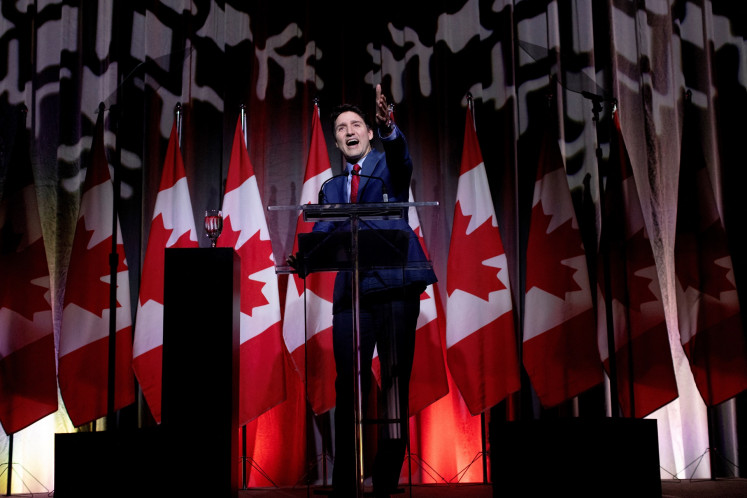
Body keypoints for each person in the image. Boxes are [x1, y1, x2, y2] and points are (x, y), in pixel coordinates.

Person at [293, 85, 437, 497]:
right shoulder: (333, 187)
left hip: (395, 284)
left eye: (357, 124)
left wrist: (390, 127)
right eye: (341, 128)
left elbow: (403, 160)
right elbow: (322, 234)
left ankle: (387, 478)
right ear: (336, 140)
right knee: (346, 383)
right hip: (351, 293)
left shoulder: (387, 164)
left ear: (369, 133)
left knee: (394, 380)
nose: (350, 131)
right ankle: (344, 481)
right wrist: (303, 260)